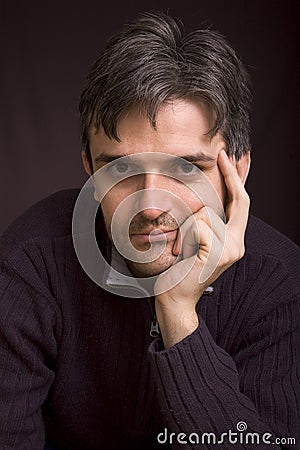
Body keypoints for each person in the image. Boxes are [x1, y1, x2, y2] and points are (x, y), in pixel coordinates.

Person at [0, 11, 299, 450]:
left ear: (237, 169)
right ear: (89, 168)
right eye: (119, 169)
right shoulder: (33, 260)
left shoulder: (282, 284)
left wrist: (178, 317)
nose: (152, 205)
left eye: (186, 169)